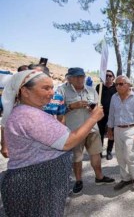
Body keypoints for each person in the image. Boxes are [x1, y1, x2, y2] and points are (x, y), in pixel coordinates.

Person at [0, 70, 104, 216]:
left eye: (51, 88)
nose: (51, 92)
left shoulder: (29, 111)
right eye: (45, 88)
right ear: (25, 91)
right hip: (36, 185)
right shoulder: (29, 115)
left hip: (40, 183)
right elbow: (68, 142)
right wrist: (93, 118)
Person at [57, 67, 114, 195]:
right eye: (76, 76)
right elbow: (57, 111)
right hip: (74, 131)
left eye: (82, 76)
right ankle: (78, 181)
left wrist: (94, 109)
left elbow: (98, 108)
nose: (80, 79)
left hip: (92, 129)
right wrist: (71, 106)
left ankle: (99, 177)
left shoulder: (91, 90)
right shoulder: (61, 90)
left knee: (96, 154)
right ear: (69, 78)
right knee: (77, 157)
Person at [107, 76, 134, 192]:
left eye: (120, 84)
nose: (117, 86)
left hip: (131, 129)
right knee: (119, 156)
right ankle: (125, 178)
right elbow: (111, 114)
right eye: (116, 84)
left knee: (130, 155)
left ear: (128, 85)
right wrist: (109, 129)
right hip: (117, 129)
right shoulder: (114, 97)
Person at [96, 70, 117, 160]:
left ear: (113, 77)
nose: (108, 77)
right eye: (106, 76)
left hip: (113, 115)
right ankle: (99, 151)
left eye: (110, 76)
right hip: (101, 114)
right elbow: (95, 99)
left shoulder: (116, 88)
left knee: (111, 133)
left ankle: (109, 151)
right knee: (99, 134)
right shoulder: (99, 87)